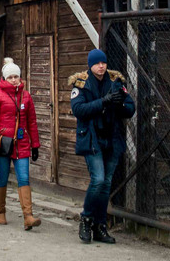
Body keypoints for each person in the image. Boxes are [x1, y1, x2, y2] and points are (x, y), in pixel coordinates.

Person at [71, 48, 134, 244]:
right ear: (91, 65)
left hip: (112, 138)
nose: (101, 66)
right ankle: (86, 219)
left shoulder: (116, 82)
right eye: (98, 63)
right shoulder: (81, 84)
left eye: (104, 63)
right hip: (92, 138)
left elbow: (130, 108)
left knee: (106, 184)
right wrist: (103, 102)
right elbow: (79, 109)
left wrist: (119, 105)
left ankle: (100, 227)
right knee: (97, 180)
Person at [0, 58, 42, 229]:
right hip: (3, 144)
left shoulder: (26, 96)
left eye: (16, 76)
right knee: (2, 178)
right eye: (10, 77)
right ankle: (1, 211)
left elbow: (32, 121)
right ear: (4, 78)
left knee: (24, 178)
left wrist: (35, 145)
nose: (13, 79)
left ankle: (28, 216)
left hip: (22, 143)